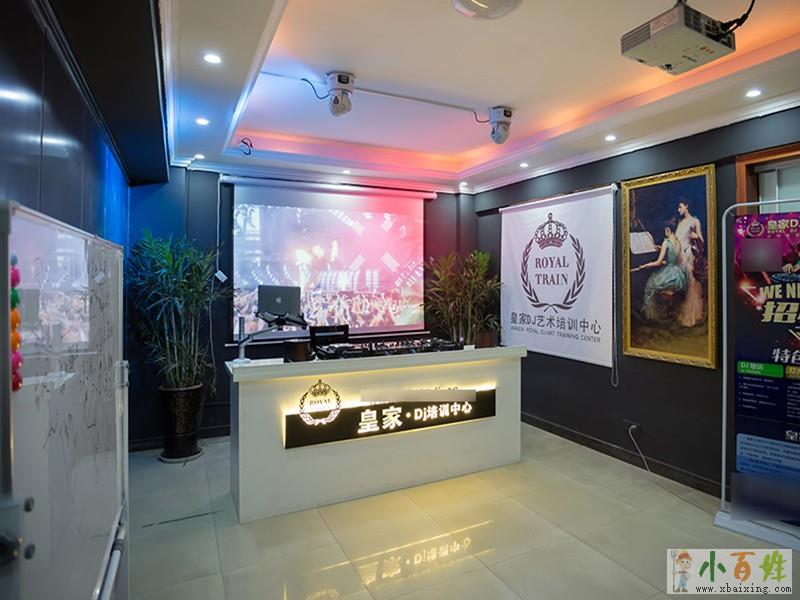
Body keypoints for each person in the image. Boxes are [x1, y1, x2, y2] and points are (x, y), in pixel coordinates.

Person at [634, 222, 688, 321]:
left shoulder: (666, 242)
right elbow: (672, 257)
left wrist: (646, 264)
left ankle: (653, 316)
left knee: (650, 286)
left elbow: (658, 262)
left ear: (668, 230)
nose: (665, 233)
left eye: (665, 231)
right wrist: (660, 248)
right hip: (677, 273)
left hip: (668, 273)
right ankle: (664, 313)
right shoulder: (677, 242)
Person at [675, 199, 705, 327]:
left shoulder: (694, 221)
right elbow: (677, 240)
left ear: (686, 206)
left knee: (691, 284)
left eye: (680, 207)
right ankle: (680, 314)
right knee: (681, 284)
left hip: (688, 255)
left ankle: (691, 317)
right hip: (679, 256)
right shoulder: (680, 222)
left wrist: (696, 237)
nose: (678, 210)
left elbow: (702, 242)